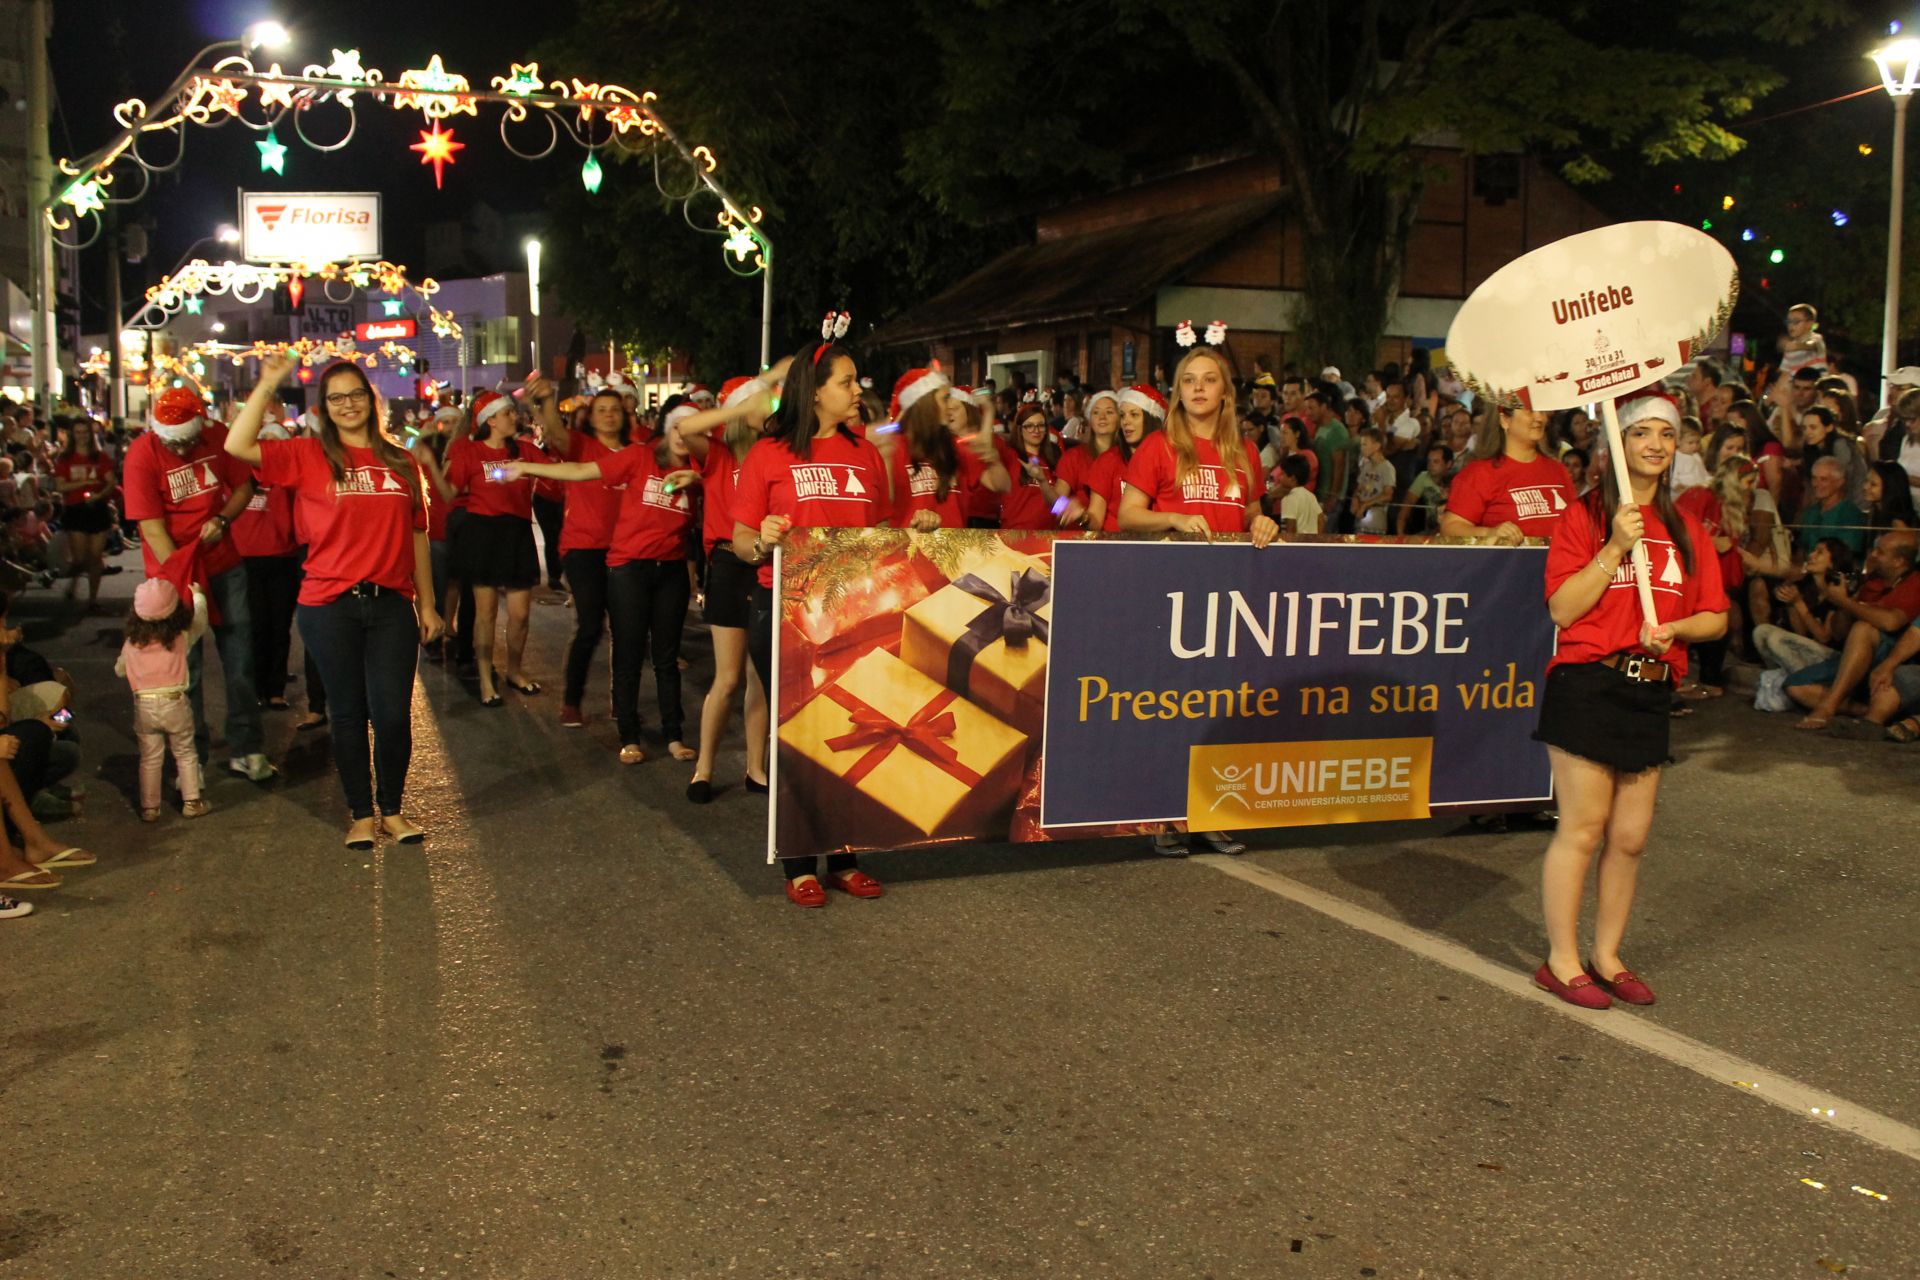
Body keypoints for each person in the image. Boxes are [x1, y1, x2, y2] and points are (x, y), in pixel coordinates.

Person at [1532, 393, 1728, 1010]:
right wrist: (1614, 547)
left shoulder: (1686, 526)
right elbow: (1562, 608)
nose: (1654, 445)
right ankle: (1562, 961)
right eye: (1640, 433)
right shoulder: (1583, 516)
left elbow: (1715, 618)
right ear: (1617, 446)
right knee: (1584, 828)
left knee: (1632, 836)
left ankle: (1607, 955)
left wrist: (1678, 630)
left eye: (1664, 436)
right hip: (1587, 681)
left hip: (1651, 686)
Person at [225, 356, 443, 850]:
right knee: (346, 713)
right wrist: (266, 384)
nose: (348, 405)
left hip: (391, 605)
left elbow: (418, 537)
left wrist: (427, 605)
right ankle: (361, 814)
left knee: (391, 713)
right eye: (336, 398)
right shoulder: (305, 455)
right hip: (329, 605)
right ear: (324, 408)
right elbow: (237, 445)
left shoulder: (400, 460)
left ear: (372, 400)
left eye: (356, 395)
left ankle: (392, 808)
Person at [732, 331, 898, 907]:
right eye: (847, 382)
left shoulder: (866, 453)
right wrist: (764, 539)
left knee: (854, 728)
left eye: (857, 382)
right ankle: (799, 861)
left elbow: (882, 532)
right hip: (782, 610)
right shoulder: (769, 454)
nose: (858, 391)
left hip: (851, 611)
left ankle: (845, 855)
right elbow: (740, 540)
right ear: (816, 391)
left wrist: (919, 529)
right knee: (798, 737)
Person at [1118, 340, 1279, 858]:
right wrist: (1172, 517)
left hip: (1233, 599)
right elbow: (1127, 515)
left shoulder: (1245, 452)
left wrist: (1263, 521)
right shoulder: (1159, 446)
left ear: (1226, 392)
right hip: (1173, 595)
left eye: (1208, 380)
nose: (1198, 389)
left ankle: (1213, 812)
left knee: (1222, 707)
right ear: (1178, 392)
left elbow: (1252, 511)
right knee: (1174, 707)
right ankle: (1166, 814)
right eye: (1189, 381)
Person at [507, 405, 704, 765]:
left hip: (671, 571)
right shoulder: (639, 456)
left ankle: (674, 735)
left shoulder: (701, 471)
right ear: (665, 431)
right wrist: (527, 467)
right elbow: (581, 470)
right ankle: (629, 736)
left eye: (691, 428)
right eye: (677, 427)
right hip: (629, 568)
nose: (683, 434)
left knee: (666, 657)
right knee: (628, 653)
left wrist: (700, 480)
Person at [120, 387, 273, 782]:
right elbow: (151, 526)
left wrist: (222, 520)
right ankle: (193, 760)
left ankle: (248, 748)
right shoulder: (142, 454)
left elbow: (244, 485)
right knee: (183, 671)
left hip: (224, 565)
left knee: (239, 661)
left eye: (189, 441)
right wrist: (181, 576)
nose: (184, 449)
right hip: (171, 576)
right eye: (176, 443)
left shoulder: (218, 436)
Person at [526, 379, 628, 727]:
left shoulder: (635, 451)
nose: (609, 416)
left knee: (626, 629)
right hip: (583, 549)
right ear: (591, 417)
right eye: (602, 410)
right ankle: (572, 701)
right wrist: (546, 400)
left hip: (627, 550)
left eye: (615, 409)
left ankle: (622, 701)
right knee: (589, 625)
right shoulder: (581, 446)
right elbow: (554, 430)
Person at [445, 390, 541, 706]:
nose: (515, 417)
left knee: (520, 614)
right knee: (485, 614)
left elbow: (559, 470)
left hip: (517, 533)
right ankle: (486, 679)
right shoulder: (470, 452)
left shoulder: (525, 451)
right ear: (491, 420)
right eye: (509, 413)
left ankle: (514, 670)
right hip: (482, 533)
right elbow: (450, 491)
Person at [1777, 530, 1920, 731]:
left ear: (1898, 561)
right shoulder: (1872, 582)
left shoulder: (1915, 583)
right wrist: (1843, 601)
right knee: (1795, 686)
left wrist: (1845, 603)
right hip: (1856, 658)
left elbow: (1891, 623)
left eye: (1880, 551)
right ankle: (1867, 711)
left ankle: (1828, 707)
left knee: (1864, 627)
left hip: (1891, 657)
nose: (1873, 555)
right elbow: (1839, 633)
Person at [116, 578, 211, 822]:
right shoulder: (180, 636)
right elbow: (201, 622)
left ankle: (150, 807)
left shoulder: (131, 643)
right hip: (174, 701)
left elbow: (119, 669)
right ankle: (192, 801)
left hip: (144, 704)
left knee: (149, 757)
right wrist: (199, 597)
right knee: (185, 752)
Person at [231, 417, 301, 711]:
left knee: (280, 626)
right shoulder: (242, 477)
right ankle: (257, 686)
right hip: (247, 560)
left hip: (283, 559)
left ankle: (275, 688)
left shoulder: (291, 478)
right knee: (255, 627)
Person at [1439, 402, 1572, 544]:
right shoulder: (1479, 474)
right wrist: (1490, 532)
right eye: (1529, 411)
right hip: (1507, 565)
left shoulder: (1558, 470)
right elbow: (1450, 528)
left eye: (1542, 411)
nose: (1540, 418)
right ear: (1505, 420)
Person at [52, 416, 115, 610]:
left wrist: (99, 495)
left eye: (85, 432)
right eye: (78, 432)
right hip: (75, 509)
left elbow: (111, 482)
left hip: (97, 508)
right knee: (80, 557)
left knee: (95, 556)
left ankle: (92, 599)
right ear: (72, 435)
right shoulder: (65, 459)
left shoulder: (100, 457)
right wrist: (85, 483)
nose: (82, 436)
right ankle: (75, 581)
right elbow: (61, 486)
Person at [1084, 385, 1164, 531]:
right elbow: (1095, 519)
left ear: (1151, 419)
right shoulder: (1108, 461)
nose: (1125, 422)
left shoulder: (1169, 460)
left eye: (1134, 414)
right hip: (1115, 549)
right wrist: (1081, 517)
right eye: (1122, 415)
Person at [1349, 427, 1396, 534]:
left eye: (1365, 444)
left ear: (1376, 446)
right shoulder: (1366, 465)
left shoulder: (1387, 468)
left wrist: (1367, 504)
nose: (1362, 448)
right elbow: (1359, 487)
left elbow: (1388, 495)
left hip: (1376, 520)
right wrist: (1355, 498)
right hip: (1361, 518)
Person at [1397, 443, 1451, 535]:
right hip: (1429, 533)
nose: (1430, 465)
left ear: (1448, 464)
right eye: (1429, 461)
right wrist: (1400, 534)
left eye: (1436, 461)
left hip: (1452, 533)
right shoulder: (1423, 477)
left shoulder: (1458, 479)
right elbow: (1407, 505)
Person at [1271, 453, 1322, 534]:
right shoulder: (1311, 496)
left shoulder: (1289, 499)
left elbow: (1290, 529)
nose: (1280, 477)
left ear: (1293, 479)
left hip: (1297, 544)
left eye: (1283, 474)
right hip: (1312, 543)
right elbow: (1320, 519)